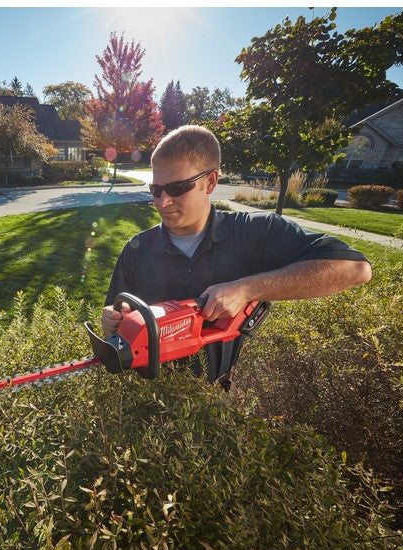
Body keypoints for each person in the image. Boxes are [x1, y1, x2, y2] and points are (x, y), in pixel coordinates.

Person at [100, 125, 372, 387]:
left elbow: (356, 269)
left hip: (218, 394)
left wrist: (246, 289)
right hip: (148, 396)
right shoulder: (137, 249)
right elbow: (116, 316)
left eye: (176, 188)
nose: (163, 202)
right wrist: (114, 321)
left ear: (210, 182)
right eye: (156, 190)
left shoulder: (256, 232)